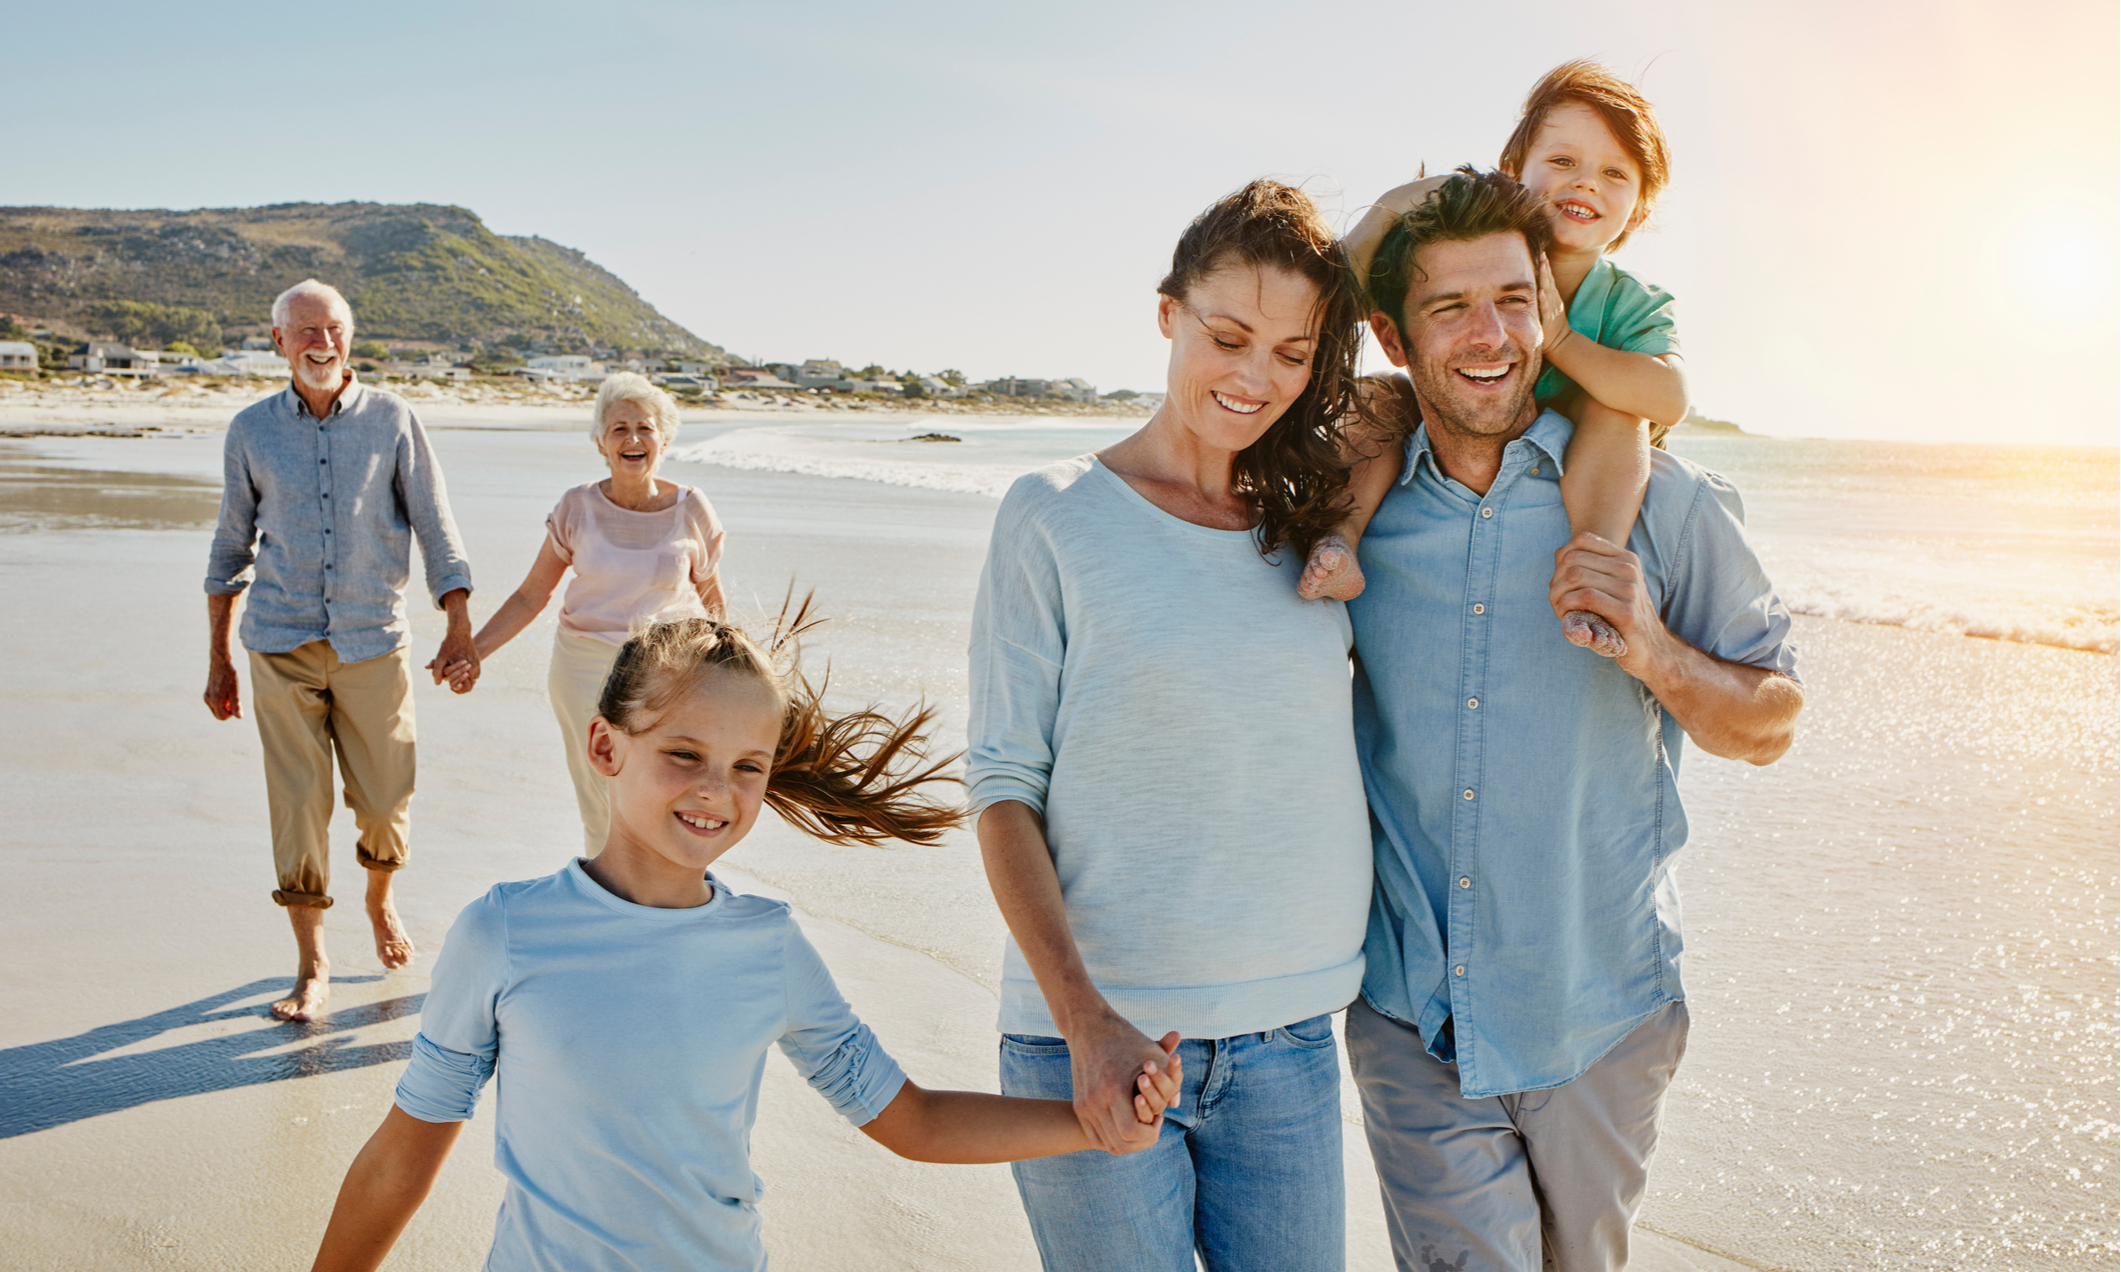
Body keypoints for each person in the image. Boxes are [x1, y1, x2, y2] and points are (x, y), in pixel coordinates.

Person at [309, 613, 1180, 1272]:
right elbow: (403, 1153)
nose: (715, 791)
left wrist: (1093, 1125)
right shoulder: (506, 931)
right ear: (604, 746)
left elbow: (910, 1120)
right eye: (684, 754)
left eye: (746, 766)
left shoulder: (767, 947)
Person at [1342, 168, 1804, 1272]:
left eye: (1515, 298)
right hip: (1414, 1023)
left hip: (1601, 1018)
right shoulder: (1352, 513)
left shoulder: (1657, 501)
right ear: (1395, 342)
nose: (1492, 335)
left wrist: (1655, 652)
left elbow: (1774, 718)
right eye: (1449, 309)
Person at [968, 180, 1375, 1272]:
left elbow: (1438, 355)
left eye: (1294, 353)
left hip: (1290, 1042)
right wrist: (1083, 1020)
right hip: (1096, 1039)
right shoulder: (1053, 514)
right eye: (1228, 336)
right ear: (1167, 314)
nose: (1256, 378)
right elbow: (1003, 786)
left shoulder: (1315, 529)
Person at [1300, 61, 1687, 664]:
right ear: (1514, 174)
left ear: (1638, 211)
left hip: (1588, 465)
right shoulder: (1461, 251)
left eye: (1615, 173)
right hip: (1467, 432)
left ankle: (1592, 572)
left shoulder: (1626, 300)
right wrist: (1402, 201)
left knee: (1619, 408)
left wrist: (1559, 340)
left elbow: (1669, 398)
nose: (1586, 183)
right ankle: (1339, 539)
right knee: (1379, 395)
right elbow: (1325, 299)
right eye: (1562, 162)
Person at [203, 279, 477, 1022]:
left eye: (334, 329)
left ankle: (379, 899)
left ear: (350, 338)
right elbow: (230, 546)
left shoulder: (393, 419)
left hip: (372, 643)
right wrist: (219, 658)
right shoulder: (250, 431)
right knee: (297, 807)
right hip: (279, 642)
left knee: (387, 799)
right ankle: (312, 964)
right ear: (279, 342)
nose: (321, 343)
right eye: (306, 331)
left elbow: (435, 525)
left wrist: (458, 625)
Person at [447, 372, 725, 849]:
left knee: (665, 783)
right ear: (600, 442)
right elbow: (530, 596)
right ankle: (610, 891)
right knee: (601, 788)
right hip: (582, 668)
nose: (633, 439)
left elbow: (713, 598)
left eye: (644, 428)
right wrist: (473, 653)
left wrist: (733, 669)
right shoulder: (577, 506)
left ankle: (666, 883)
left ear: (664, 438)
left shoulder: (691, 507)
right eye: (618, 429)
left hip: (666, 671)